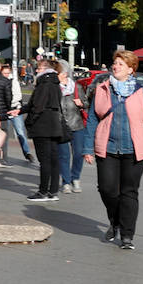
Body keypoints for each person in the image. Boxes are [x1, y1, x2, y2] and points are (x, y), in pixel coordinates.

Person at [80, 50, 143, 250]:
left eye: (120, 64)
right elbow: (92, 119)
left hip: (135, 150)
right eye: (115, 63)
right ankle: (115, 220)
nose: (115, 66)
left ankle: (127, 236)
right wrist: (87, 148)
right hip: (107, 147)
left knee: (129, 192)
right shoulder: (102, 89)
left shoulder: (141, 92)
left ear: (130, 69)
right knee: (107, 188)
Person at [20, 57, 67, 200]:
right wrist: (21, 110)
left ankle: (43, 191)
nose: (36, 70)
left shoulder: (43, 83)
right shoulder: (55, 83)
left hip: (42, 125)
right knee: (53, 158)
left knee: (44, 159)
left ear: (45, 70)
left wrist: (30, 121)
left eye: (39, 68)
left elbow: (37, 105)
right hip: (53, 124)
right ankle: (53, 191)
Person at [56, 60, 87, 193]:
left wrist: (82, 104)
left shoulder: (76, 87)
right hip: (61, 125)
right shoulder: (55, 87)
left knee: (79, 153)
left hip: (77, 124)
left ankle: (76, 178)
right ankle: (66, 182)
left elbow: (87, 103)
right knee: (64, 155)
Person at [1, 62, 33, 163]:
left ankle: (27, 153)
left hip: (14, 109)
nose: (6, 75)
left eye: (7, 73)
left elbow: (18, 95)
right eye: (4, 73)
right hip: (4, 111)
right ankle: (1, 154)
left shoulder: (13, 82)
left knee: (21, 133)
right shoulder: (0, 81)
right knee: (2, 134)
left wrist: (11, 104)